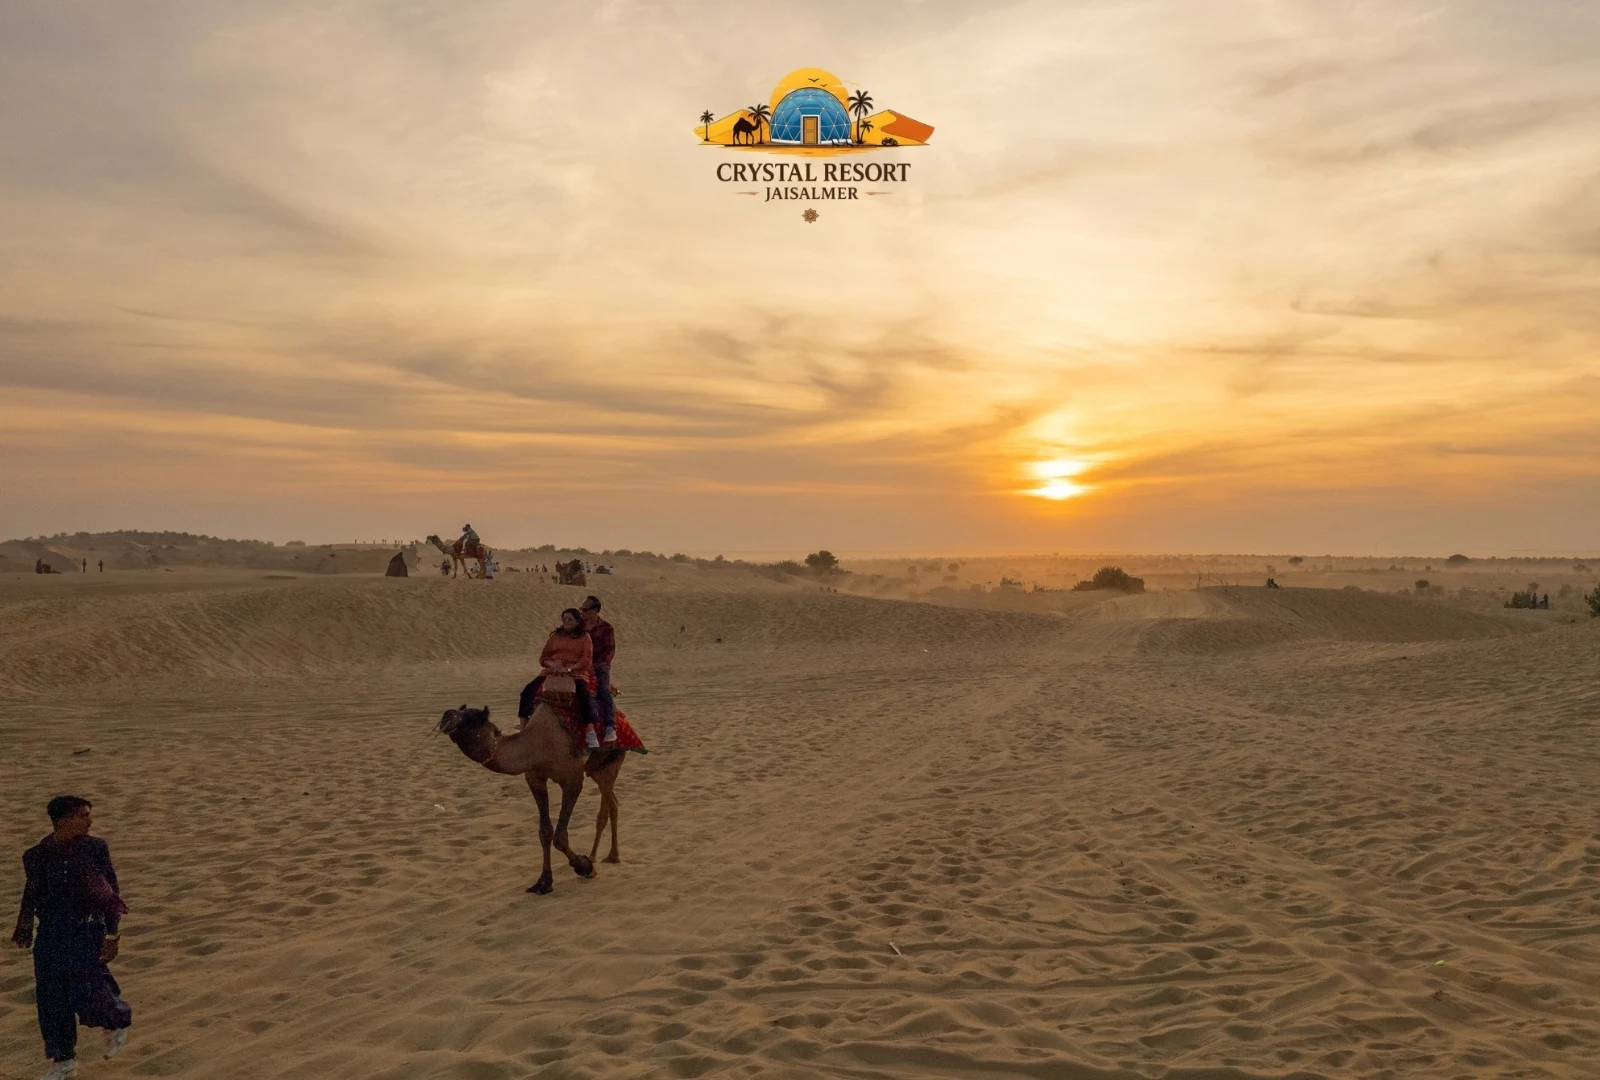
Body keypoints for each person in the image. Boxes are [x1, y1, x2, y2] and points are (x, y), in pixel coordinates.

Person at [12, 796, 132, 1079]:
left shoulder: (95, 849)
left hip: (86, 930)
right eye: (82, 816)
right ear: (62, 820)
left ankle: (116, 1020)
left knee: (86, 988)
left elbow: (110, 895)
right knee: (51, 998)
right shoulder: (35, 855)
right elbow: (32, 893)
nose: (89, 821)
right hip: (51, 934)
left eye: (88, 815)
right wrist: (25, 924)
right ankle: (63, 1060)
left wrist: (112, 933)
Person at [518, 608, 603, 748]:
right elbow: (543, 657)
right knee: (527, 691)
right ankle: (524, 728)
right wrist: (552, 664)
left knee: (583, 695)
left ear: (577, 621)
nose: (567, 622)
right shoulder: (555, 636)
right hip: (552, 672)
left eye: (570, 619)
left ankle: (590, 732)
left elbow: (586, 660)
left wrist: (569, 668)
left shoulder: (584, 637)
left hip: (575, 673)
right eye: (564, 619)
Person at [579, 595, 617, 744]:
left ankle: (610, 727)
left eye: (585, 609)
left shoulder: (606, 628)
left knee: (603, 690)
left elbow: (609, 651)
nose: (581, 612)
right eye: (580, 609)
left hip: (599, 666)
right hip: (579, 666)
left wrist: (596, 666)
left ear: (595, 610)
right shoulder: (578, 626)